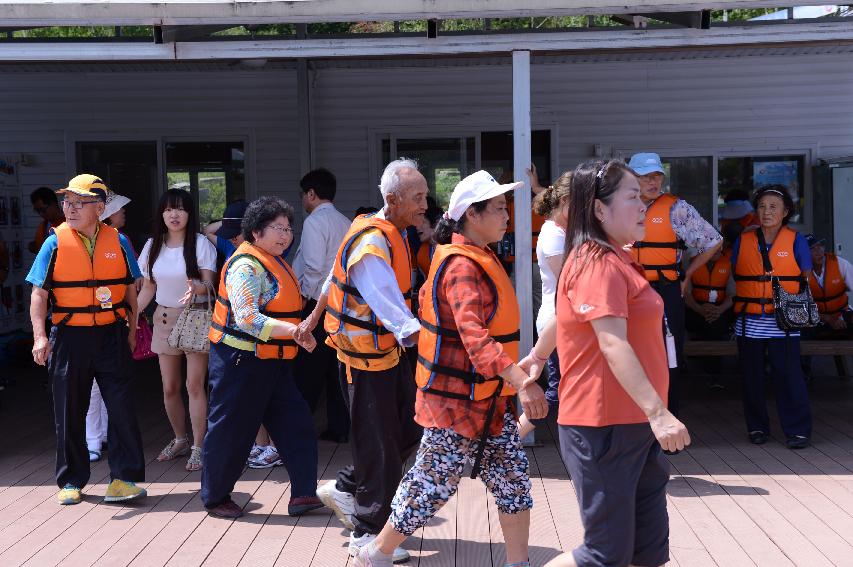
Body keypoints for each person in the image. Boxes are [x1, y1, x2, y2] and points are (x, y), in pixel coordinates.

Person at [352, 171, 547, 567]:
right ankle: (376, 553)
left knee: (513, 483)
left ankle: (518, 563)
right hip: (455, 404)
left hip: (490, 400)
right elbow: (475, 339)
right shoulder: (462, 266)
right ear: (472, 216)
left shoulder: (477, 255)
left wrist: (516, 376)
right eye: (497, 208)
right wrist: (523, 382)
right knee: (430, 485)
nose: (506, 216)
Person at [534, 159, 689, 567]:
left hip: (634, 426)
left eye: (644, 196)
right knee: (604, 555)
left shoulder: (617, 258)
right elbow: (612, 343)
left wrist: (536, 355)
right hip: (602, 427)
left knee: (647, 551)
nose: (644, 205)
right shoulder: (596, 263)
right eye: (633, 196)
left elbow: (565, 316)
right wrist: (659, 413)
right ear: (599, 210)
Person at [301, 158, 427, 563]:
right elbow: (393, 312)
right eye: (419, 197)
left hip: (386, 355)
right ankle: (368, 532)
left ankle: (348, 486)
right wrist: (442, 347)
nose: (426, 204)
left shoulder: (388, 230)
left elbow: (329, 281)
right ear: (392, 199)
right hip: (366, 359)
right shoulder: (373, 242)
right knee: (379, 445)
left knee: (409, 427)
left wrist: (314, 317)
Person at [27, 174, 146, 506]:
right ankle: (71, 480)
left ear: (100, 207)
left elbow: (130, 293)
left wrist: (133, 331)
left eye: (80, 203)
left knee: (121, 408)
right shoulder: (53, 242)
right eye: (67, 202)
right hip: (68, 336)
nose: (70, 208)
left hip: (111, 333)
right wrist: (39, 337)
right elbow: (39, 294)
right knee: (69, 409)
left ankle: (123, 479)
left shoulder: (118, 242)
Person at [202, 196, 323, 519]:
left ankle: (303, 494)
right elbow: (247, 319)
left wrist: (297, 335)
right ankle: (216, 497)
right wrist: (295, 331)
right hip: (239, 363)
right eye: (277, 228)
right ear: (256, 232)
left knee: (296, 424)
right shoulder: (246, 265)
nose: (285, 235)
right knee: (232, 431)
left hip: (274, 362)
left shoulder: (276, 261)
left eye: (287, 228)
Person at [627, 152, 722, 419]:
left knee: (669, 354)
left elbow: (713, 240)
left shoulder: (676, 208)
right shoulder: (617, 206)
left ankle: (668, 419)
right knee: (627, 352)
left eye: (657, 175)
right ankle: (633, 422)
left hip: (665, 290)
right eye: (645, 176)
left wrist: (688, 274)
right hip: (627, 290)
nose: (652, 181)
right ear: (631, 177)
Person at [137, 189, 217, 471]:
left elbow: (209, 286)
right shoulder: (152, 245)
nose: (174, 214)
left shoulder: (201, 244)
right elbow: (148, 287)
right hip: (163, 318)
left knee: (194, 385)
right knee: (169, 387)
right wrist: (131, 314)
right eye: (169, 209)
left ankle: (199, 446)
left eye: (181, 209)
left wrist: (197, 287)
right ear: (161, 213)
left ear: (189, 214)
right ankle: (180, 439)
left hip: (195, 317)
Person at [731, 185, 813, 449]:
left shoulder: (796, 240)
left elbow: (805, 276)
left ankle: (798, 430)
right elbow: (735, 271)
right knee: (752, 378)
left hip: (785, 321)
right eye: (762, 206)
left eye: (773, 207)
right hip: (750, 320)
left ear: (785, 212)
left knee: (789, 377)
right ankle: (757, 428)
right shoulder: (742, 240)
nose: (766, 212)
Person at [292, 168, 352, 444]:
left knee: (308, 369)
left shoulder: (315, 222)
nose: (303, 199)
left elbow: (314, 267)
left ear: (312, 194)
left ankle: (299, 427)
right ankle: (340, 427)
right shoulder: (345, 221)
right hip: (343, 304)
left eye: (304, 194)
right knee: (334, 368)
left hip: (317, 302)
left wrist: (305, 296)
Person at [518, 171, 570, 438]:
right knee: (558, 390)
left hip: (563, 320)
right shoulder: (553, 236)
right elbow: (572, 285)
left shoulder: (563, 229)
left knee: (563, 389)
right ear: (565, 202)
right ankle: (512, 439)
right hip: (556, 321)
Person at [86, 189, 133, 463]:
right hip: (83, 325)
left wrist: (133, 322)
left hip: (114, 323)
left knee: (110, 387)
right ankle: (92, 439)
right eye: (119, 208)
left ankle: (102, 436)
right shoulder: (70, 240)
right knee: (91, 387)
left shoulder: (121, 240)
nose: (123, 212)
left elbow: (133, 285)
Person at [684, 244, 734, 386]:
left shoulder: (727, 265)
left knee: (715, 325)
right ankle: (707, 373)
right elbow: (687, 294)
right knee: (707, 323)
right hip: (695, 309)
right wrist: (700, 309)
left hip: (719, 310)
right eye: (713, 247)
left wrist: (718, 310)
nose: (718, 250)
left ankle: (713, 375)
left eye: (720, 247)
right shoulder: (693, 264)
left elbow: (732, 296)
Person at [29, 186, 65, 253]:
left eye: (43, 210)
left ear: (53, 204)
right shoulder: (42, 226)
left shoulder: (70, 225)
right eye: (38, 211)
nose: (41, 214)